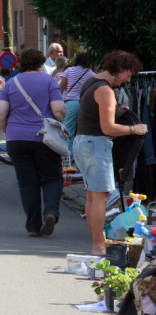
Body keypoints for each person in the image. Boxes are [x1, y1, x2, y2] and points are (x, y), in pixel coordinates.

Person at [73, 50, 146, 255]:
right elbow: (108, 128)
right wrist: (134, 129)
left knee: (92, 196)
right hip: (96, 144)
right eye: (128, 75)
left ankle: (97, 242)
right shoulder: (106, 91)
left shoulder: (91, 82)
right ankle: (98, 246)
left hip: (82, 142)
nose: (127, 80)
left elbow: (92, 113)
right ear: (120, 69)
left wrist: (116, 111)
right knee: (101, 197)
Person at [0, 49, 66, 237]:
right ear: (41, 63)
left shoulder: (10, 84)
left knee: (27, 182)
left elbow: (0, 113)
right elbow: (58, 110)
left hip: (17, 138)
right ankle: (50, 211)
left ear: (21, 63)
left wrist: (7, 130)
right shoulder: (50, 81)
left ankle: (33, 226)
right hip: (44, 138)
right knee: (52, 177)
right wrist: (61, 121)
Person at [59, 52, 95, 153]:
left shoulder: (69, 70)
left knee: (68, 130)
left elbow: (61, 88)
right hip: (86, 104)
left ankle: (67, 156)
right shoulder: (92, 74)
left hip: (71, 103)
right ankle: (80, 155)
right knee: (83, 132)